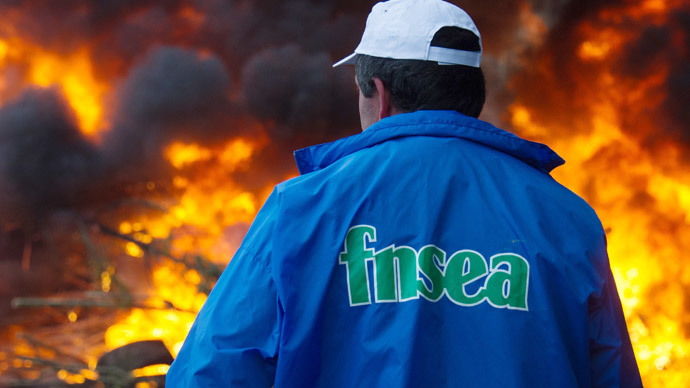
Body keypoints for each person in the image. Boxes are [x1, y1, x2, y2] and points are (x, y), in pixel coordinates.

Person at [166, 0, 643, 386]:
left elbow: (210, 374)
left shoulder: (301, 209)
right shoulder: (567, 218)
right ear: (470, 92)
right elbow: (611, 374)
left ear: (379, 92)